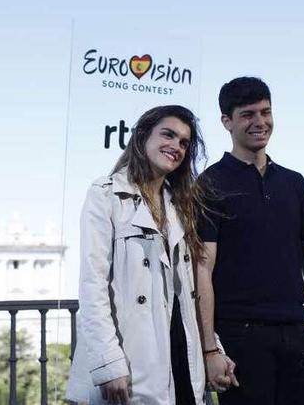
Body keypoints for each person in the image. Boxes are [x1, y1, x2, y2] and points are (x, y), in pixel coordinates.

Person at [67, 105, 233, 405]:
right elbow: (93, 286)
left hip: (180, 357)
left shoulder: (182, 205)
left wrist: (213, 348)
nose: (176, 147)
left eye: (184, 142)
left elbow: (189, 292)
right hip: (130, 360)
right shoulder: (105, 194)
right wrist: (108, 361)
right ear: (143, 136)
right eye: (168, 135)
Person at [196, 77, 304, 405]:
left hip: (297, 331)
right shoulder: (209, 184)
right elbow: (202, 269)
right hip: (240, 337)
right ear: (226, 122)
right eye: (248, 114)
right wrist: (210, 348)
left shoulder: (294, 182)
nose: (260, 122)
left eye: (266, 112)